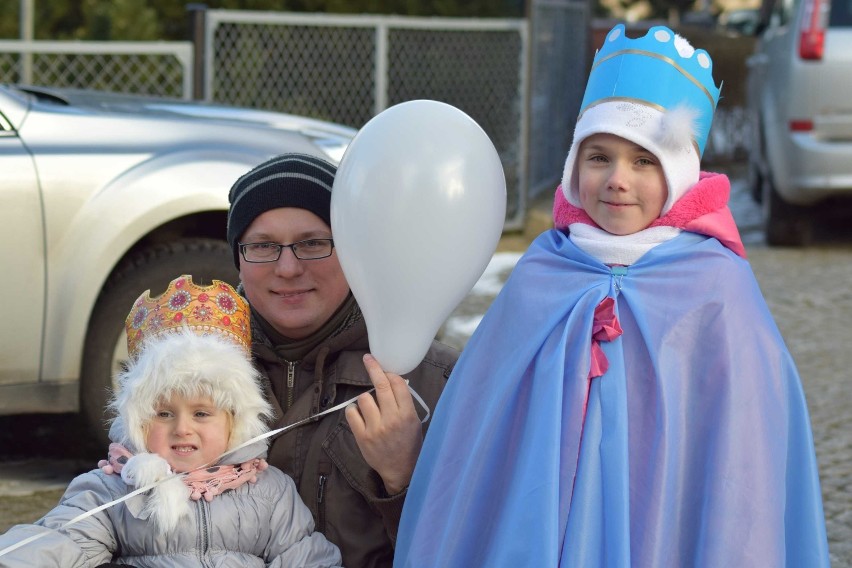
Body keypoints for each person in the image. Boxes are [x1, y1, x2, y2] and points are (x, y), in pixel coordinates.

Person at [394, 25, 830, 567]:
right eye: (599, 157)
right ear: (575, 164)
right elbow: (481, 418)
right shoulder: (542, 271)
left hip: (661, 526)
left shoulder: (716, 287)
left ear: (677, 173)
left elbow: (742, 440)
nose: (618, 180)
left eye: (644, 161)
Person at [0, 275, 342, 567]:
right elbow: (62, 539)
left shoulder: (269, 492)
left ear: (234, 421)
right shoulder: (113, 490)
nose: (182, 428)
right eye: (163, 413)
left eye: (202, 413)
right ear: (139, 420)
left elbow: (305, 556)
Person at [225, 152, 458, 567]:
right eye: (262, 245)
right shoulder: (190, 375)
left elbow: (477, 548)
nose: (288, 268)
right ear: (239, 260)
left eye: (313, 243)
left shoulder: (436, 382)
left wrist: (405, 477)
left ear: (354, 249)